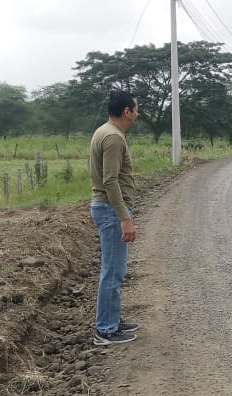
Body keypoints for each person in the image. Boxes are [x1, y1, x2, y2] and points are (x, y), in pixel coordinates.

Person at [89, 90, 140, 345]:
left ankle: (112, 320)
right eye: (136, 109)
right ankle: (106, 330)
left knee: (114, 270)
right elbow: (110, 180)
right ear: (127, 111)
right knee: (112, 272)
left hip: (107, 208)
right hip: (110, 210)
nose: (138, 113)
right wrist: (124, 218)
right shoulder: (114, 138)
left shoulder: (105, 131)